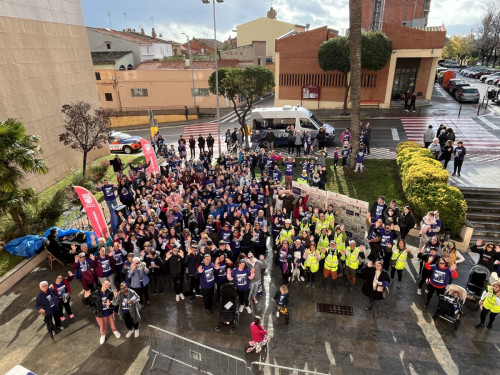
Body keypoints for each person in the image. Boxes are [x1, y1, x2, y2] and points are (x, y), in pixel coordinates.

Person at [82, 280, 121, 345]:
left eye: (108, 285)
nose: (107, 286)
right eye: (106, 284)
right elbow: (86, 302)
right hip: (100, 313)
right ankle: (103, 335)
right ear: (102, 284)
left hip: (109, 312)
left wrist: (115, 298)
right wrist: (85, 297)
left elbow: (114, 303)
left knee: (112, 323)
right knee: (102, 325)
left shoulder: (110, 292)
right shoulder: (95, 293)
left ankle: (114, 330)